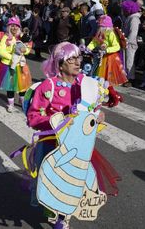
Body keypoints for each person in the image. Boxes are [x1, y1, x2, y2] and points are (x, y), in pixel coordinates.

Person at [26, 42, 122, 229]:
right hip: (52, 146)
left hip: (79, 148)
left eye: (78, 58)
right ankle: (55, 214)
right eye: (71, 59)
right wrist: (59, 123)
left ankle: (64, 219)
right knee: (52, 188)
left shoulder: (86, 84)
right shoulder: (49, 86)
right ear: (60, 64)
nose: (77, 62)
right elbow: (33, 117)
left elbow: (92, 109)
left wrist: (98, 115)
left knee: (76, 185)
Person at [0, 17, 32, 112]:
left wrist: (24, 51)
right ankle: (11, 104)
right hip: (8, 65)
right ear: (9, 27)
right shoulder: (6, 37)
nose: (14, 28)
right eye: (12, 26)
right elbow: (1, 51)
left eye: (16, 26)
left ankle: (23, 102)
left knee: (23, 86)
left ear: (19, 27)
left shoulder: (22, 36)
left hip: (21, 65)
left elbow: (28, 48)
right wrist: (12, 58)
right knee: (10, 86)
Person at [87, 15, 128, 86]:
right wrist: (88, 48)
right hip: (102, 56)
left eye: (100, 26)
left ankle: (109, 90)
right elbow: (94, 42)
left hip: (111, 58)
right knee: (101, 76)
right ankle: (103, 89)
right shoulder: (100, 33)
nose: (99, 27)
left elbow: (117, 46)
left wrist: (107, 50)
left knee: (109, 76)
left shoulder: (111, 33)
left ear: (105, 26)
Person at [121, 0, 142, 87]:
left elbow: (133, 32)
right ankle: (127, 78)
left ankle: (131, 79)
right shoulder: (131, 18)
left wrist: (127, 41)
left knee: (130, 62)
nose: (123, 11)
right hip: (128, 43)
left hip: (131, 44)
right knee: (127, 61)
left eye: (124, 10)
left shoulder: (134, 19)